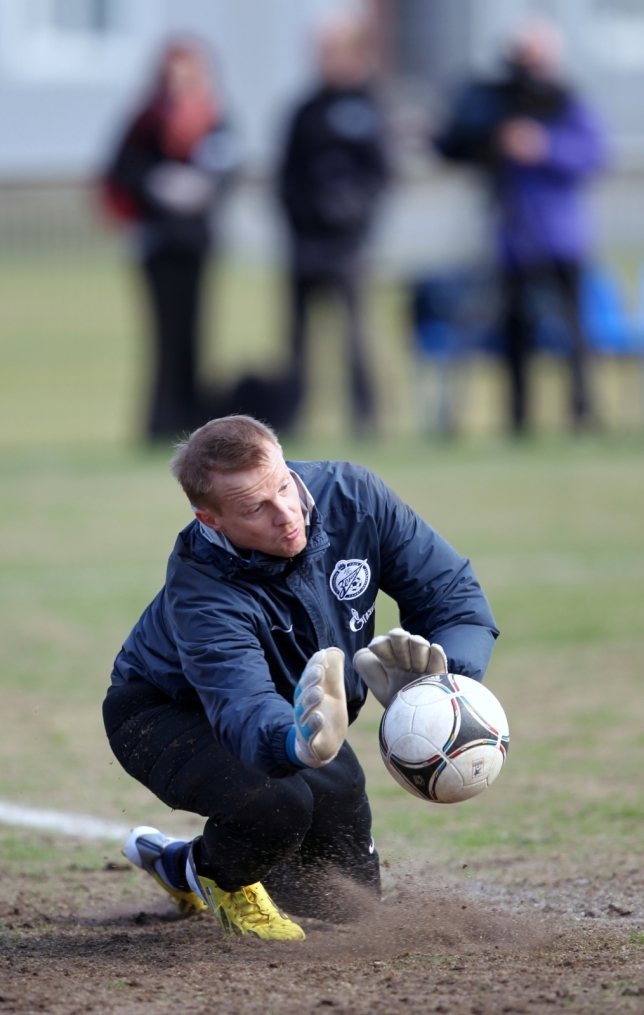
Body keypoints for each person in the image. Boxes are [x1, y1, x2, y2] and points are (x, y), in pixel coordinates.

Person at [103, 414, 498, 940]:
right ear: (211, 520)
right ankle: (221, 878)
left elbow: (453, 599)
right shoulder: (203, 591)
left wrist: (443, 682)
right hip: (162, 712)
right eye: (255, 509)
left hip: (288, 711)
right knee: (274, 804)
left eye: (284, 485)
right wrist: (300, 744)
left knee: (342, 904)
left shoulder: (352, 496)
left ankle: (182, 865)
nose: (287, 513)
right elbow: (241, 706)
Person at [434, 18, 606, 433]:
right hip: (511, 238)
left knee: (572, 330)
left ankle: (583, 415)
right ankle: (519, 419)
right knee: (515, 331)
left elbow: (592, 154)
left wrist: (542, 147)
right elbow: (457, 146)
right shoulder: (496, 103)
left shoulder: (565, 102)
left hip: (559, 235)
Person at [102, 40, 238, 439]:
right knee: (163, 333)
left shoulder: (213, 116)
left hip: (195, 242)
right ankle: (161, 422)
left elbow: (226, 168)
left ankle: (195, 423)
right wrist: (156, 183)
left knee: (196, 332)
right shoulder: (146, 119)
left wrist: (201, 188)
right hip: (159, 242)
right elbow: (121, 171)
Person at [276, 13, 388, 434]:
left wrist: (353, 213)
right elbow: (287, 178)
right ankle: (292, 418)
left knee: (354, 337)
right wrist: (304, 219)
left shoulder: (369, 107)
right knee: (298, 342)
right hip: (307, 242)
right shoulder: (304, 110)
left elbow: (379, 176)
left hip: (349, 245)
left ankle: (366, 417)